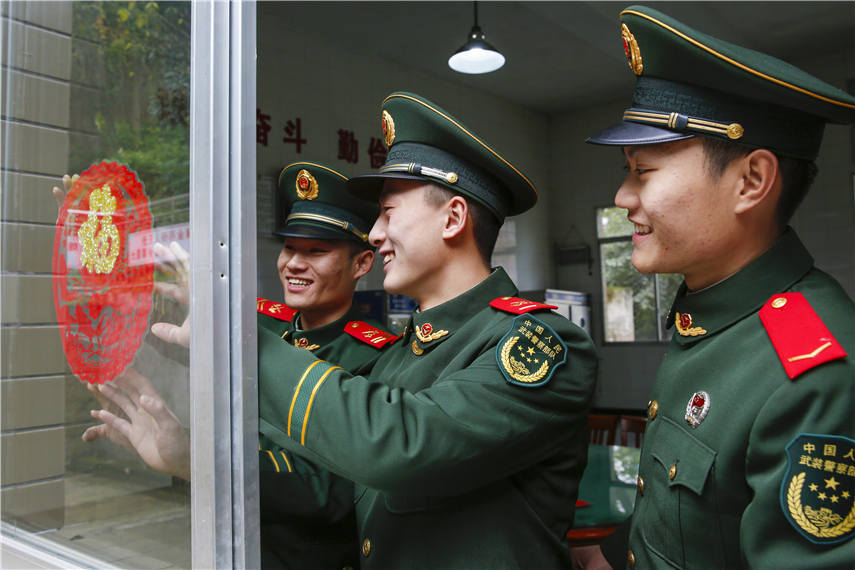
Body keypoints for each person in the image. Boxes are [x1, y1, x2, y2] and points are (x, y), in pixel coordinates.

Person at [257, 91, 598, 568]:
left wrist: (245, 345)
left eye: (388, 212)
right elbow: (331, 478)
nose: (375, 234)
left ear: (453, 218)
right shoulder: (400, 353)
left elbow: (401, 444)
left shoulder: (537, 343)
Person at [584, 5, 855, 568]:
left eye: (643, 170)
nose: (622, 198)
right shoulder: (711, 317)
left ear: (751, 181)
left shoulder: (813, 374)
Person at [79, 162, 398, 568]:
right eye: (289, 248)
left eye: (317, 251)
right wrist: (94, 244)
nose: (294, 264)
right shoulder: (257, 323)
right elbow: (159, 333)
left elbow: (337, 490)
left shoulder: (379, 357)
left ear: (362, 264)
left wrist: (198, 462)